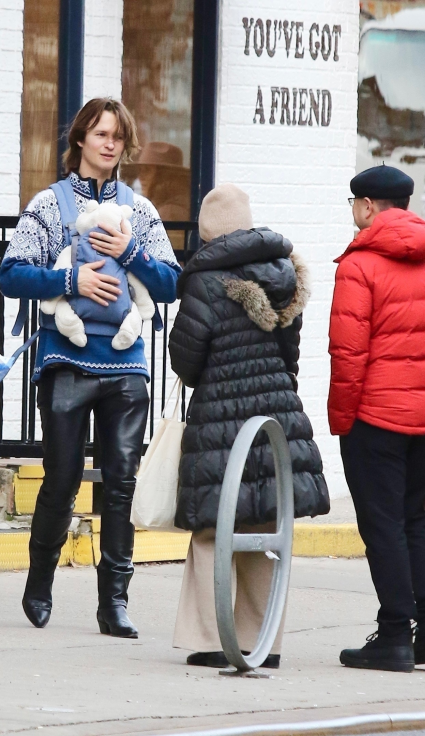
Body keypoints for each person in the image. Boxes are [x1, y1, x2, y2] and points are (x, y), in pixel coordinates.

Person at [0, 98, 180, 638]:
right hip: (66, 360)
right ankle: (39, 581)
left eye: (117, 137)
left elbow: (171, 283)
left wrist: (131, 254)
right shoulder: (48, 205)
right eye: (99, 134)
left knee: (121, 483)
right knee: (62, 478)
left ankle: (115, 602)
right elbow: (12, 275)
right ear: (79, 139)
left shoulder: (139, 211)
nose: (108, 144)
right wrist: (68, 282)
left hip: (127, 364)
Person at [168, 183, 329, 669]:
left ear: (208, 233)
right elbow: (289, 353)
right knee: (264, 524)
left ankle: (211, 637)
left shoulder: (205, 281)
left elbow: (187, 362)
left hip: (221, 414)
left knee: (213, 529)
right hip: (278, 414)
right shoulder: (284, 274)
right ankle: (266, 642)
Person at [330, 165, 425, 673]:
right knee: (413, 520)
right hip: (422, 420)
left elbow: (347, 355)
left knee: (382, 525)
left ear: (368, 206)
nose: (352, 215)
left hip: (373, 419)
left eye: (353, 205)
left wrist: (344, 420)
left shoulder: (359, 265)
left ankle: (393, 635)